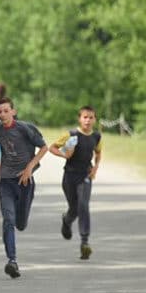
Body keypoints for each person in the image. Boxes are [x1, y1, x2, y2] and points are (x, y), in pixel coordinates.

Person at [0, 97, 48, 279]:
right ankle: (12, 261)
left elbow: (43, 148)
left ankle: (17, 236)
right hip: (7, 183)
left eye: (6, 111)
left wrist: (29, 168)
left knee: (21, 224)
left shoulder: (24, 128)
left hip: (25, 183)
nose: (2, 114)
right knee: (8, 220)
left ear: (13, 112)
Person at [48, 105, 102, 260]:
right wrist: (64, 155)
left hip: (85, 176)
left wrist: (96, 167)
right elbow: (52, 148)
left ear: (95, 119)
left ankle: (85, 243)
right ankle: (67, 220)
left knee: (83, 205)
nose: (88, 120)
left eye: (91, 117)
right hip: (70, 177)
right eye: (85, 117)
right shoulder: (71, 135)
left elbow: (98, 152)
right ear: (80, 118)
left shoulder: (96, 137)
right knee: (74, 208)